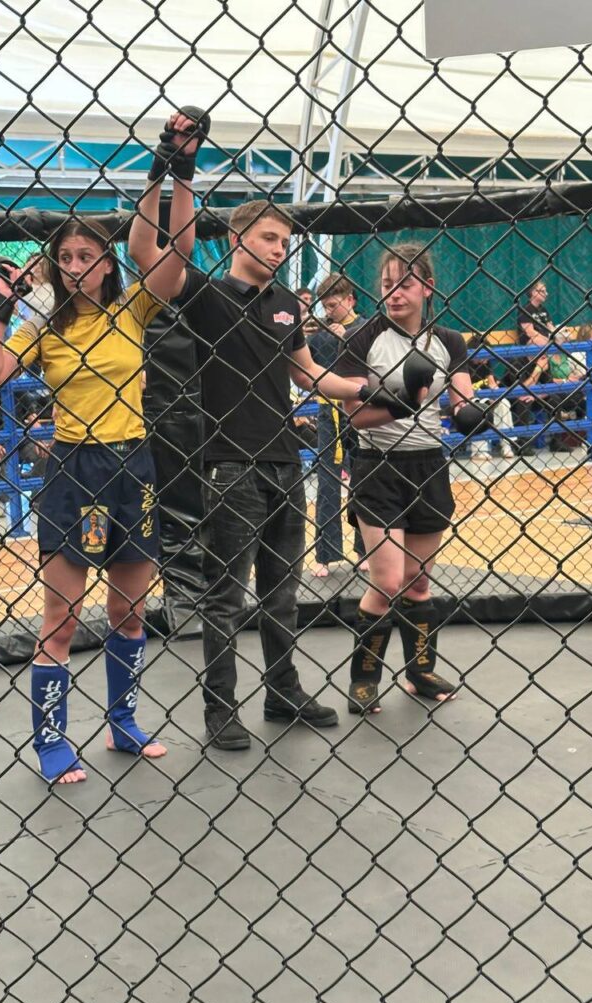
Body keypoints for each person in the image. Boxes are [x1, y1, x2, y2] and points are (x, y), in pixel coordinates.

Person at [128, 108, 387, 750]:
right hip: (229, 464)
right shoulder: (206, 293)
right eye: (268, 238)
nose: (278, 249)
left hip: (282, 462)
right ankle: (220, 709)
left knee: (281, 592)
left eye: (284, 241)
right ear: (238, 239)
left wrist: (371, 389)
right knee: (225, 596)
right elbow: (148, 253)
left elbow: (308, 375)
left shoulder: (285, 304)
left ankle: (282, 691)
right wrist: (174, 168)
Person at [0, 218, 167, 785]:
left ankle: (123, 723)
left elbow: (170, 258)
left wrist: (169, 177)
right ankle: (52, 742)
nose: (76, 266)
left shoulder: (133, 307)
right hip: (75, 468)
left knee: (129, 611)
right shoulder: (45, 321)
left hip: (134, 464)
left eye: (87, 256)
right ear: (55, 266)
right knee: (61, 619)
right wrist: (1, 306)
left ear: (107, 262)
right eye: (66, 257)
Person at [337, 243, 475, 713]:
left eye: (405, 284)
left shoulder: (449, 341)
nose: (394, 293)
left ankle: (420, 672)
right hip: (378, 465)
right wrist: (404, 404)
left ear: (427, 288)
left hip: (428, 464)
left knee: (417, 581)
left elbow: (461, 401)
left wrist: (471, 415)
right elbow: (354, 416)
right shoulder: (363, 338)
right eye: (386, 285)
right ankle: (364, 678)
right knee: (388, 580)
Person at [307, 273, 367, 576]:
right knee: (327, 482)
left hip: (361, 410)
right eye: (325, 307)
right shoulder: (318, 333)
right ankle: (325, 554)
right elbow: (304, 366)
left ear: (350, 300)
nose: (329, 311)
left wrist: (348, 337)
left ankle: (365, 549)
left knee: (364, 477)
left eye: (334, 305)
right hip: (328, 412)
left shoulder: (367, 328)